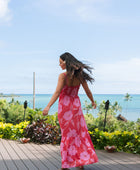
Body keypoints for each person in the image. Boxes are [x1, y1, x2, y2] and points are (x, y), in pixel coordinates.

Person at [43, 52, 98, 170]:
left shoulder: (63, 76)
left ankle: (66, 165)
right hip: (76, 106)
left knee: (67, 135)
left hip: (65, 107)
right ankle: (80, 162)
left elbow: (57, 93)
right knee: (79, 133)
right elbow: (87, 91)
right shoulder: (80, 76)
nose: (59, 65)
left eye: (60, 63)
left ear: (66, 62)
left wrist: (48, 106)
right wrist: (92, 101)